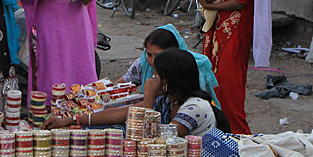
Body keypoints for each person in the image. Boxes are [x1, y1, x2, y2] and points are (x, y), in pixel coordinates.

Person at [200, 0, 275, 134]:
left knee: (229, 83)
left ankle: (240, 135)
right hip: (223, 28)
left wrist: (211, 5)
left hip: (235, 30)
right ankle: (219, 131)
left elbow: (241, 1)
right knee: (216, 80)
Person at [45, 49, 229, 137]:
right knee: (108, 129)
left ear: (169, 80)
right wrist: (71, 120)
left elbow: (156, 138)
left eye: (157, 75)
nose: (152, 79)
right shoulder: (167, 102)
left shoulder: (194, 106)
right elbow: (116, 115)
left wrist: (148, 97)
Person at [118, 24, 221, 108]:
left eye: (159, 55)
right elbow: (123, 84)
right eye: (149, 54)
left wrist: (149, 97)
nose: (153, 61)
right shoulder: (143, 63)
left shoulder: (188, 68)